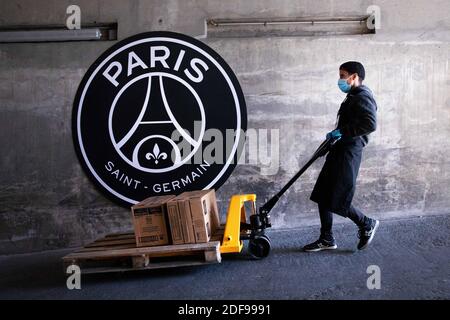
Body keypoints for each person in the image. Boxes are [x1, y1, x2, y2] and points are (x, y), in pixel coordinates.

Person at [303, 61, 379, 252]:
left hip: (348, 153)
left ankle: (366, 223)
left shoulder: (363, 96)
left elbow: (370, 124)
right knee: (323, 193)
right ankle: (326, 238)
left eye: (343, 75)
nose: (340, 80)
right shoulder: (352, 95)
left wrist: (342, 133)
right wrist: (337, 134)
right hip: (339, 149)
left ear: (354, 77)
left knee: (338, 196)